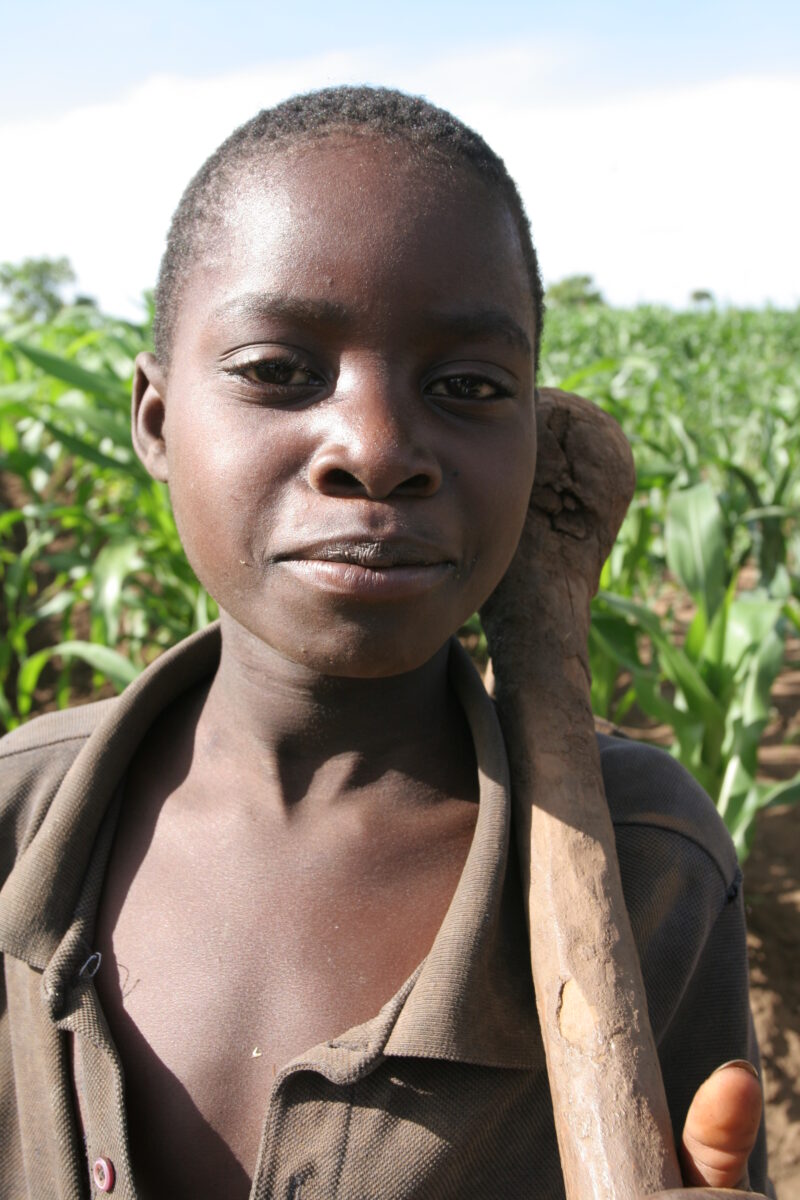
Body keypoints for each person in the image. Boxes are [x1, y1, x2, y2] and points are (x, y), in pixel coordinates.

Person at [0, 86, 770, 1199]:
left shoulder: (646, 859)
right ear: (156, 422)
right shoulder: (17, 824)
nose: (374, 447)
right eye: (278, 371)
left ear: (531, 439)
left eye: (466, 387)